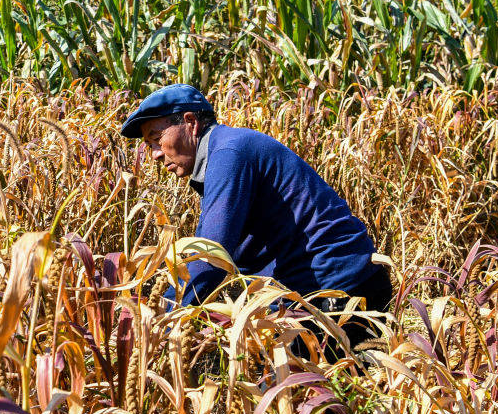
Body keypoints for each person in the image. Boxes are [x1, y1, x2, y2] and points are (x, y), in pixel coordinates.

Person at [121, 84, 391, 349]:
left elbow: (211, 257)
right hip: (329, 287)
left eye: (156, 139)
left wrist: (159, 320)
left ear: (190, 122)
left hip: (341, 294)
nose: (154, 154)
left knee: (272, 386)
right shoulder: (224, 151)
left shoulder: (228, 154)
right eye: (148, 145)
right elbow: (209, 251)